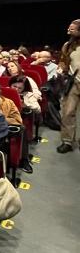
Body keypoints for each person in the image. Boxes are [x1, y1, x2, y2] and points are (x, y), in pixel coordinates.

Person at [56, 19, 80, 153]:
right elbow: (63, 62)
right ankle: (67, 141)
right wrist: (61, 69)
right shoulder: (67, 45)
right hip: (73, 82)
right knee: (67, 112)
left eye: (73, 28)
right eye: (69, 28)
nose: (69, 30)